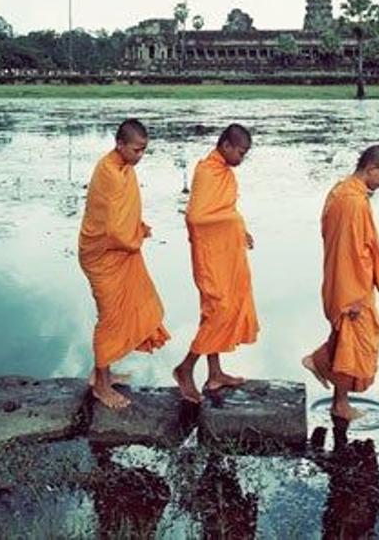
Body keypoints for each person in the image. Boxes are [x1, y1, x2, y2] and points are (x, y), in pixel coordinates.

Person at [78, 118, 170, 409]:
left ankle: (100, 373)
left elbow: (123, 213)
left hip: (120, 253)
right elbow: (114, 229)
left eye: (144, 150)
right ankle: (101, 387)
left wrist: (138, 225)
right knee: (110, 318)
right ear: (120, 145)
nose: (140, 156)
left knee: (133, 304)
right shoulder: (109, 172)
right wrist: (134, 239)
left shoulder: (123, 168)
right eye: (137, 150)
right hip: (101, 254)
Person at [302, 145, 379, 421]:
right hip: (350, 287)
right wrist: (354, 296)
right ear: (371, 169)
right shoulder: (352, 201)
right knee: (352, 345)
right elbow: (351, 252)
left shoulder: (342, 191)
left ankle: (318, 362)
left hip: (342, 280)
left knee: (347, 340)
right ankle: (340, 404)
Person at [172, 123, 258, 403]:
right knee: (219, 310)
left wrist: (240, 230)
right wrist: (232, 223)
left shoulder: (224, 171)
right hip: (210, 254)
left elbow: (225, 208)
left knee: (217, 310)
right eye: (240, 153)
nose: (241, 159)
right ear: (226, 146)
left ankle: (215, 374)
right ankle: (185, 368)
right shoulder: (206, 171)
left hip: (226, 250)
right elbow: (196, 217)